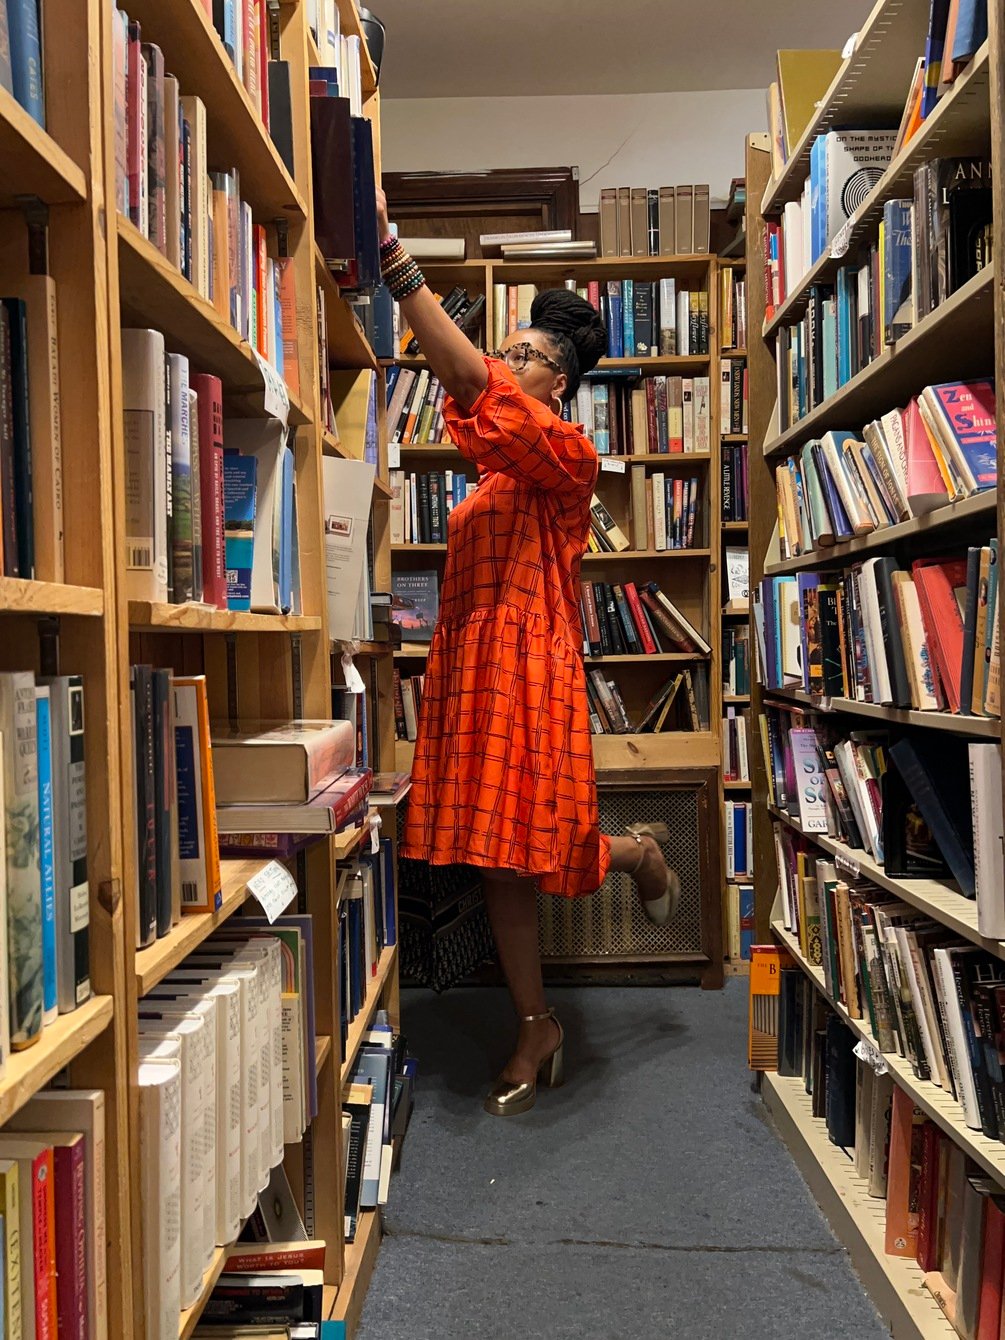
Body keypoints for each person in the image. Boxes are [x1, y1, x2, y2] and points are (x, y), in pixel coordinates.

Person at [377, 191, 681, 1117]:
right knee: (493, 857)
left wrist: (394, 262)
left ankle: (631, 857)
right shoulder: (486, 481)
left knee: (533, 847)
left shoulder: (568, 460)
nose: (507, 363)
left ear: (558, 384)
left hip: (526, 669)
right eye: (506, 350)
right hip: (469, 670)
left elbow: (475, 388)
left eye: (525, 357)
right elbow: (477, 400)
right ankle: (536, 1020)